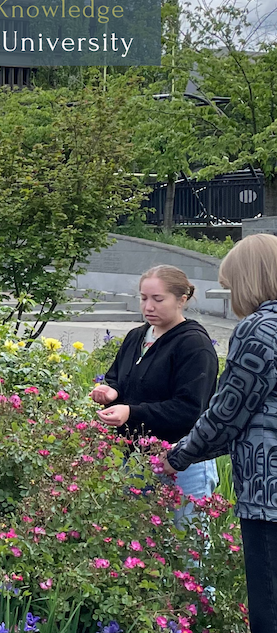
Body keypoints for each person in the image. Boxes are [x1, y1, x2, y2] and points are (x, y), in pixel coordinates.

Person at [163, 235, 277, 632]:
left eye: (229, 288)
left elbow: (227, 414)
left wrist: (176, 456)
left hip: (268, 493)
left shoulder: (259, 329)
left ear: (249, 281)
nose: (230, 298)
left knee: (270, 612)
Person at [90, 265, 219, 527]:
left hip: (183, 461)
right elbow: (117, 377)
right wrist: (111, 392)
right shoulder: (136, 337)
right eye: (143, 298)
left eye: (158, 299)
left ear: (181, 299)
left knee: (187, 544)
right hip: (135, 458)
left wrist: (130, 412)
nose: (148, 306)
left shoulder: (194, 344)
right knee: (135, 541)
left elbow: (189, 409)